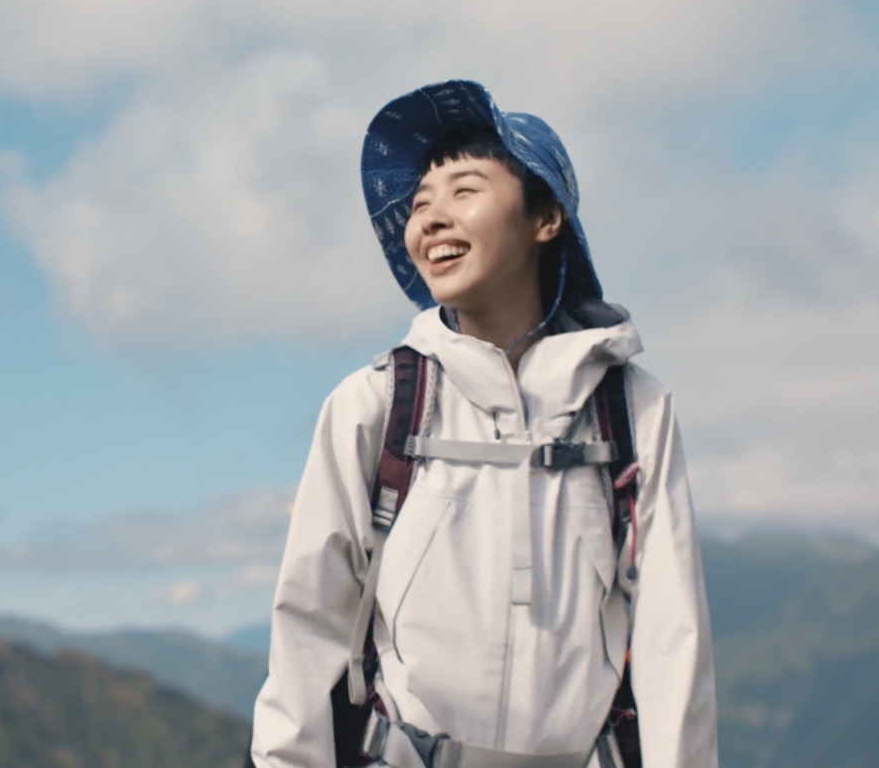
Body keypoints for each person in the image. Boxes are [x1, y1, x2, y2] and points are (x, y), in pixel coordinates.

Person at [251, 81, 718, 767]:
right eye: (417, 206)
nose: (431, 219)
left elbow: (671, 639)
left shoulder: (632, 409)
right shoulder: (375, 406)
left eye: (464, 191)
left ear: (546, 216)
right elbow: (308, 627)